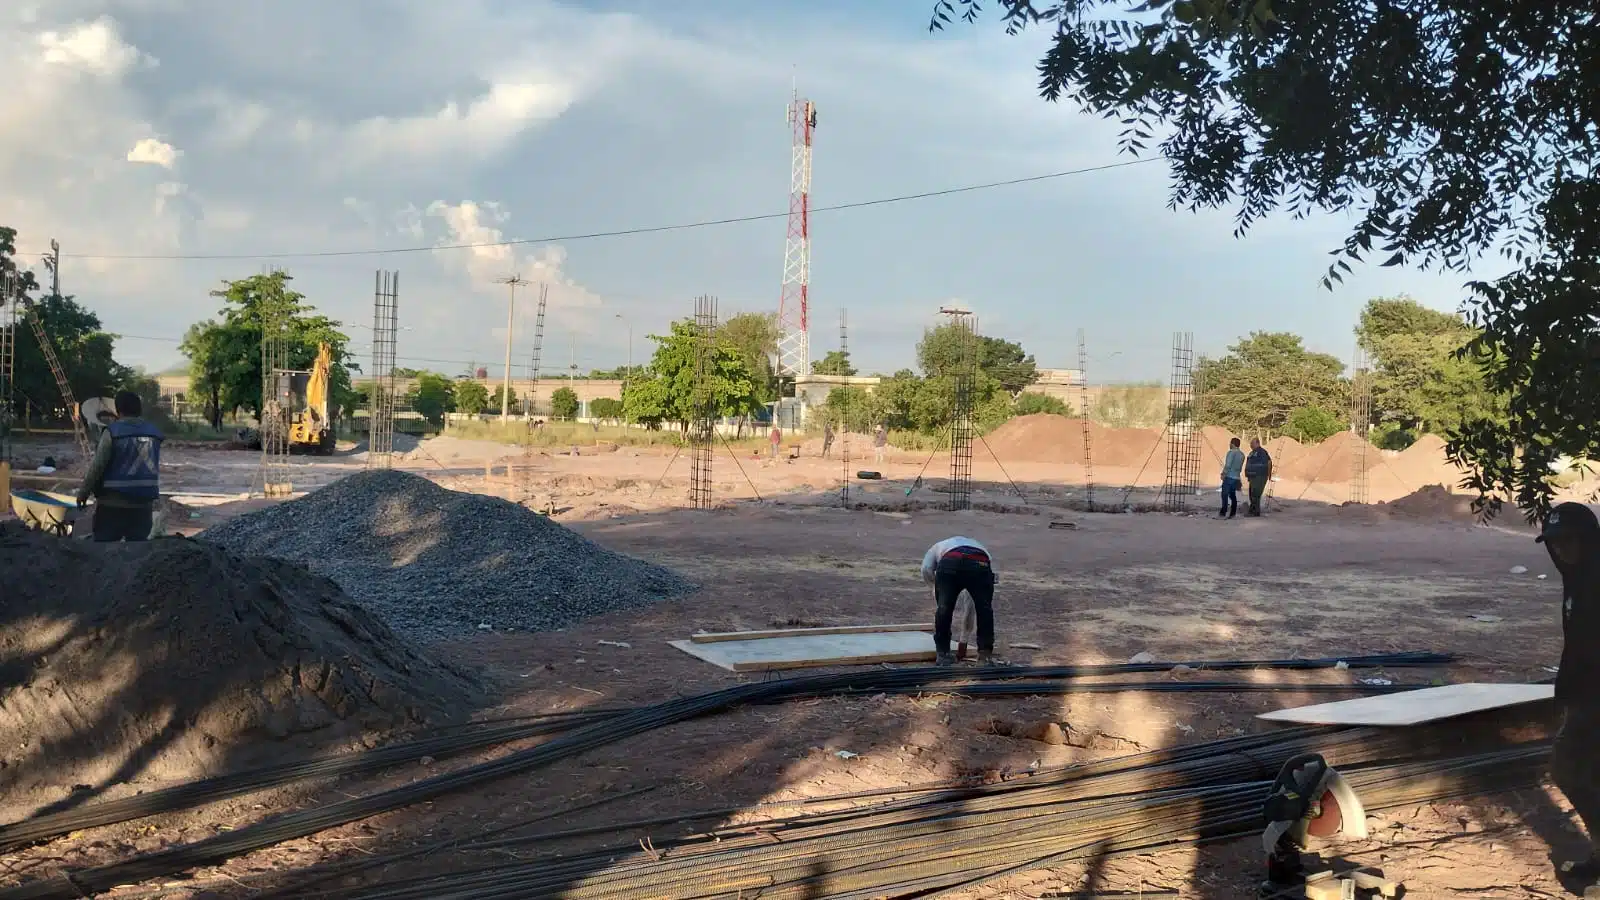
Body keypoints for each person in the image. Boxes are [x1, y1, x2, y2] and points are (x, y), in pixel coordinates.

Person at [1537, 502, 1600, 896]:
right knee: (1576, 772)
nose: (1561, 550)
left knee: (1572, 770)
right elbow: (1575, 644)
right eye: (1554, 543)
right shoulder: (1575, 580)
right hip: (1583, 697)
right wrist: (1564, 692)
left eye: (1569, 541)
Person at [76, 390, 163, 542]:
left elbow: (97, 467)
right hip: (143, 506)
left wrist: (83, 493)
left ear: (118, 410)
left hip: (112, 505)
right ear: (139, 409)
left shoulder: (112, 432)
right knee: (136, 553)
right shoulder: (154, 433)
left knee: (105, 550)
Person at [920, 536, 1000, 666]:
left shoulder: (937, 547)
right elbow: (992, 579)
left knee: (944, 609)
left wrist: (936, 586)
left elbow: (926, 569)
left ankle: (943, 654)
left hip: (950, 563)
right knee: (984, 610)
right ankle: (985, 656)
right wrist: (964, 640)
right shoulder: (980, 547)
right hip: (980, 564)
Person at [1244, 437, 1272, 517]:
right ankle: (1253, 510)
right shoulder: (1252, 452)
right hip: (1252, 477)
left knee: (1255, 494)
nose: (1250, 445)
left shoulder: (1262, 452)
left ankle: (1255, 512)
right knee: (1251, 494)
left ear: (1257, 443)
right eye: (1250, 443)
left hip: (1260, 476)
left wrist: (1269, 475)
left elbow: (1269, 462)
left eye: (1252, 443)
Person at [1219, 437, 1245, 519]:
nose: (1229, 445)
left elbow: (1228, 465)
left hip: (1229, 477)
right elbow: (1240, 468)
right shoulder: (1242, 454)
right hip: (1236, 477)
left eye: (1230, 443)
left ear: (1233, 444)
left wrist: (1223, 474)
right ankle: (1233, 512)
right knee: (1233, 495)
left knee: (1224, 494)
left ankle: (1223, 511)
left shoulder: (1231, 453)